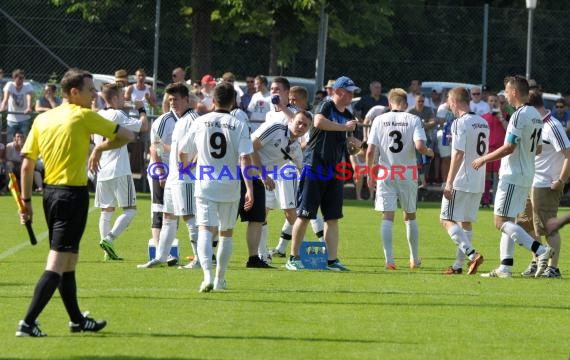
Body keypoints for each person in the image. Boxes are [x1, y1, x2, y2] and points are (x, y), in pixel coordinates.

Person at [15, 68, 134, 337]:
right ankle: (27, 322)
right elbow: (128, 135)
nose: (94, 95)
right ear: (74, 92)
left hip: (50, 194)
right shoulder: (82, 116)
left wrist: (26, 201)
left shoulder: (42, 118)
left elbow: (26, 165)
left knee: (69, 259)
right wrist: (101, 148)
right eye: (90, 90)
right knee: (57, 262)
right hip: (72, 195)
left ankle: (77, 320)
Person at [472, 75, 553, 278]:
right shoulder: (535, 114)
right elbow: (539, 148)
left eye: (506, 91)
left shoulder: (518, 115)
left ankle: (540, 250)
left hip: (513, 175)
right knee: (509, 221)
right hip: (526, 174)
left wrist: (484, 159)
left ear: (515, 92)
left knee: (500, 222)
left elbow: (509, 147)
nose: (505, 95)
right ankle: (505, 267)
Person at [180, 82, 254, 292]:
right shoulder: (239, 124)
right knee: (226, 233)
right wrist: (249, 188)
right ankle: (220, 280)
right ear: (234, 102)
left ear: (213, 100)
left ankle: (206, 276)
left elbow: (183, 150)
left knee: (204, 230)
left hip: (205, 184)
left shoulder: (200, 121)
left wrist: (185, 168)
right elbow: (245, 158)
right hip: (230, 185)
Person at [285, 76, 358, 271]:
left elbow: (347, 146)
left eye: (352, 92)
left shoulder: (348, 113)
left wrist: (356, 146)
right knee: (305, 213)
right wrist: (344, 128)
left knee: (332, 217)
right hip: (314, 166)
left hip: (334, 169)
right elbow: (318, 122)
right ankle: (293, 257)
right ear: (338, 91)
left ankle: (331, 260)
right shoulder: (326, 105)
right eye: (349, 91)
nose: (351, 95)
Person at [365, 88, 434, 270]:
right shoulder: (413, 119)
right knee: (410, 215)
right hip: (408, 172)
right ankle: (414, 258)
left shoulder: (379, 120)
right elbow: (420, 146)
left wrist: (369, 173)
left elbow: (371, 151)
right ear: (405, 104)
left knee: (387, 216)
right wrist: (428, 151)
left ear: (389, 103)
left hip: (386, 171)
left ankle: (389, 260)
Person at [138, 82, 200, 269]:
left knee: (189, 216)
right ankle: (161, 257)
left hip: (186, 178)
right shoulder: (177, 120)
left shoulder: (193, 119)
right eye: (170, 99)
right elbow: (157, 145)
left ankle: (199, 259)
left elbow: (200, 147)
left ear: (187, 100)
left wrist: (190, 167)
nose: (173, 103)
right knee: (168, 216)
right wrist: (162, 169)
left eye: (177, 99)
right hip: (173, 177)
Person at [517, 90, 570, 278]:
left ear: (530, 106)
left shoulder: (553, 125)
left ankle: (553, 268)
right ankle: (536, 260)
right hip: (530, 181)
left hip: (546, 184)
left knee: (548, 227)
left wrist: (561, 180)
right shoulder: (534, 123)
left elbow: (568, 154)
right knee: (527, 224)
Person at [94, 83, 148, 261]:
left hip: (102, 169)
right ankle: (109, 239)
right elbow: (143, 127)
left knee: (106, 211)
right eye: (121, 96)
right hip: (119, 168)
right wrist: (142, 110)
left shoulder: (98, 115)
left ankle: (106, 251)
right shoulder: (118, 114)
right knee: (130, 209)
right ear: (115, 98)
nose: (124, 99)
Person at [440, 87, 488, 275]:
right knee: (465, 222)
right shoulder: (483, 122)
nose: (449, 106)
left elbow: (458, 154)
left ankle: (472, 254)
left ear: (455, 102)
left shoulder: (459, 123)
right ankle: (458, 266)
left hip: (461, 179)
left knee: (445, 219)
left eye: (450, 102)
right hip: (478, 179)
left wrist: (449, 182)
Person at [480, 93, 508, 207]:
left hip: (501, 150)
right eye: (491, 101)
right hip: (487, 150)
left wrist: (501, 118)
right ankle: (485, 200)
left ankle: (498, 201)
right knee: (485, 175)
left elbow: (508, 129)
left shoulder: (506, 115)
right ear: (488, 102)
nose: (493, 103)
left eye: (495, 101)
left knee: (499, 176)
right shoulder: (484, 117)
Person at [408, 94, 436, 187]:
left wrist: (422, 125)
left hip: (425, 137)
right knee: (419, 159)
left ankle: (422, 181)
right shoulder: (410, 111)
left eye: (422, 101)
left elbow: (433, 121)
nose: (420, 103)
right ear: (415, 102)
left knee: (425, 160)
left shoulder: (428, 110)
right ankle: (422, 182)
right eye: (419, 101)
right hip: (412, 138)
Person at [0, 69, 34, 142]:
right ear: (14, 78)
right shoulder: (9, 84)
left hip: (24, 118)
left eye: (23, 78)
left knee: (24, 140)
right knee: (10, 140)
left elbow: (29, 97)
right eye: (20, 78)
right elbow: (6, 98)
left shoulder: (27, 85)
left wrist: (29, 107)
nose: (22, 80)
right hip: (12, 119)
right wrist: (2, 108)